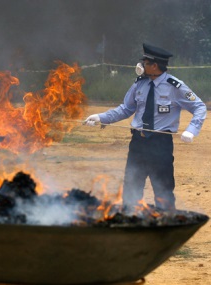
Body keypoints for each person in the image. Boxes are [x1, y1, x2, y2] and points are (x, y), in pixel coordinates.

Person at [84, 43, 207, 211]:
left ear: (154, 65)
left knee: (163, 190)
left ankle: (165, 228)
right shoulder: (139, 84)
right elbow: (126, 108)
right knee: (131, 188)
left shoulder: (175, 86)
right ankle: (131, 224)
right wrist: (101, 117)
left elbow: (199, 107)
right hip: (138, 144)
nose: (141, 66)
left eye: (145, 62)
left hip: (160, 144)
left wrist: (191, 130)